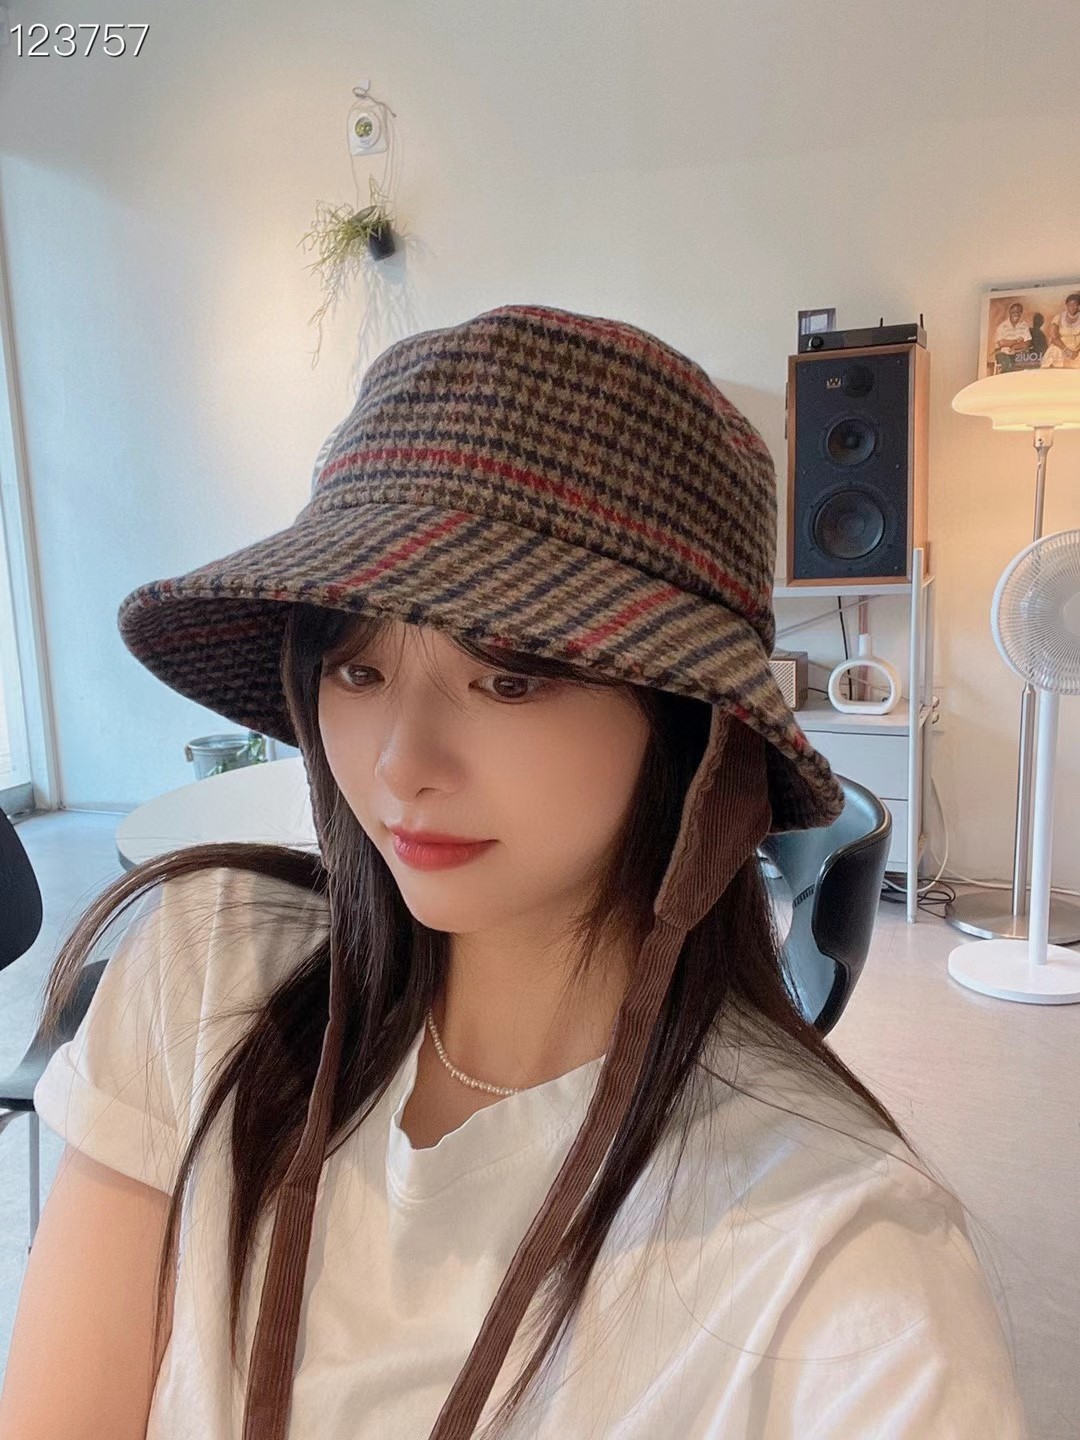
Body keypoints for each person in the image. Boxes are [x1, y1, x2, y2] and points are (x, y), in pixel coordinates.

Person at [0, 305, 1030, 1440]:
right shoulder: (209, 968)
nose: (402, 765)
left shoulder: (841, 1266)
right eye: (357, 670)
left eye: (510, 680)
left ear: (686, 724)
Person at [1040, 291, 1080, 367]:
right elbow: (1054, 337)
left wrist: (1077, 351)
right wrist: (1066, 350)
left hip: (1077, 349)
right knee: (1053, 352)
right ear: (1066, 306)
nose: (1072, 307)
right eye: (1070, 305)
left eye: (1075, 304)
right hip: (1061, 347)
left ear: (1078, 305)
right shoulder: (1059, 317)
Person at [992, 300, 1032, 371]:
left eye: (1019, 312)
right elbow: (1001, 343)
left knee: (1027, 362)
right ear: (1010, 312)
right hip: (1004, 353)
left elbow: (1027, 343)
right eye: (1014, 312)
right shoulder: (1003, 326)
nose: (1016, 314)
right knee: (1007, 363)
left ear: (1021, 313)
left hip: (1020, 353)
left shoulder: (1024, 325)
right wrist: (1017, 340)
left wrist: (1014, 347)